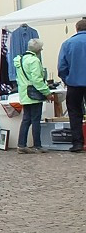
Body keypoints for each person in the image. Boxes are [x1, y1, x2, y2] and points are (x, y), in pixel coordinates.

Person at [13, 38, 53, 153]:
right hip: (34, 94)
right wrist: (47, 93)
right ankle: (37, 145)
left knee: (26, 119)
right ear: (39, 49)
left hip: (24, 93)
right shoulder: (34, 61)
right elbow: (37, 80)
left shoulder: (19, 59)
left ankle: (21, 144)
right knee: (36, 120)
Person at [58, 18, 86, 152]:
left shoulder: (67, 43)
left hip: (74, 83)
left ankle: (78, 143)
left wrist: (67, 79)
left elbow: (62, 67)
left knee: (75, 113)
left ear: (77, 29)